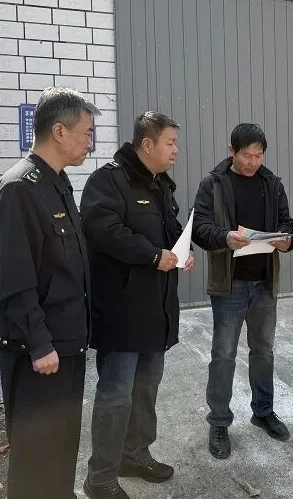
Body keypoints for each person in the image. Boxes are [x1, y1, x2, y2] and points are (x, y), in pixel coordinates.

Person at [0, 87, 100, 499]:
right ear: (59, 131)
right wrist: (39, 344)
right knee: (35, 459)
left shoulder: (58, 182)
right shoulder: (20, 188)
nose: (90, 142)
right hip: (39, 354)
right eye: (86, 133)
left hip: (66, 343)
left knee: (62, 447)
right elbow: (13, 279)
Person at [79, 112, 194, 499]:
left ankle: (135, 455)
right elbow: (103, 230)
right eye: (170, 143)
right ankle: (100, 477)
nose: (176, 150)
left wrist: (182, 250)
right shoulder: (108, 181)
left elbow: (170, 230)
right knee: (115, 395)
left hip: (155, 310)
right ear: (147, 144)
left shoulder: (160, 184)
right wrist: (152, 255)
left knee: (146, 388)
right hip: (122, 311)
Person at [191, 123, 293, 459]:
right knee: (224, 354)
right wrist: (224, 237)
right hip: (230, 283)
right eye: (246, 155)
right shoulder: (213, 184)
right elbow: (200, 228)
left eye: (258, 155)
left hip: (264, 281)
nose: (252, 162)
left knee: (263, 350)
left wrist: (285, 239)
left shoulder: (272, 183)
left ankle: (263, 411)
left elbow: (286, 222)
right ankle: (219, 421)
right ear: (231, 150)